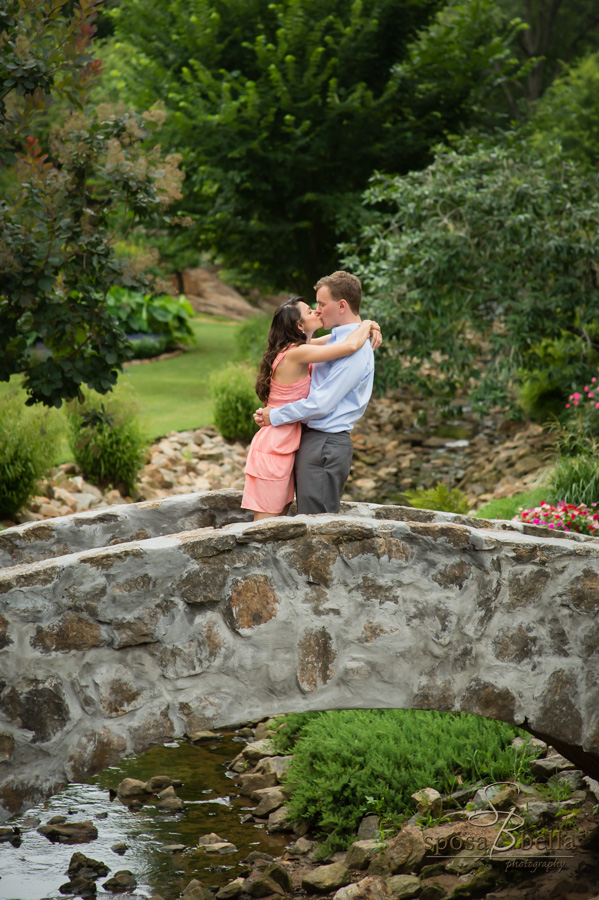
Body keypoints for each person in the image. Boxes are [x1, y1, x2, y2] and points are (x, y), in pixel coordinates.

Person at [242, 295, 379, 520]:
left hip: (284, 441)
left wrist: (368, 325)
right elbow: (350, 345)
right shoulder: (298, 353)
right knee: (265, 524)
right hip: (276, 444)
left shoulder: (298, 347)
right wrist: (366, 324)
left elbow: (339, 338)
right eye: (309, 311)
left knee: (277, 520)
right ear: (299, 325)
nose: (316, 311)